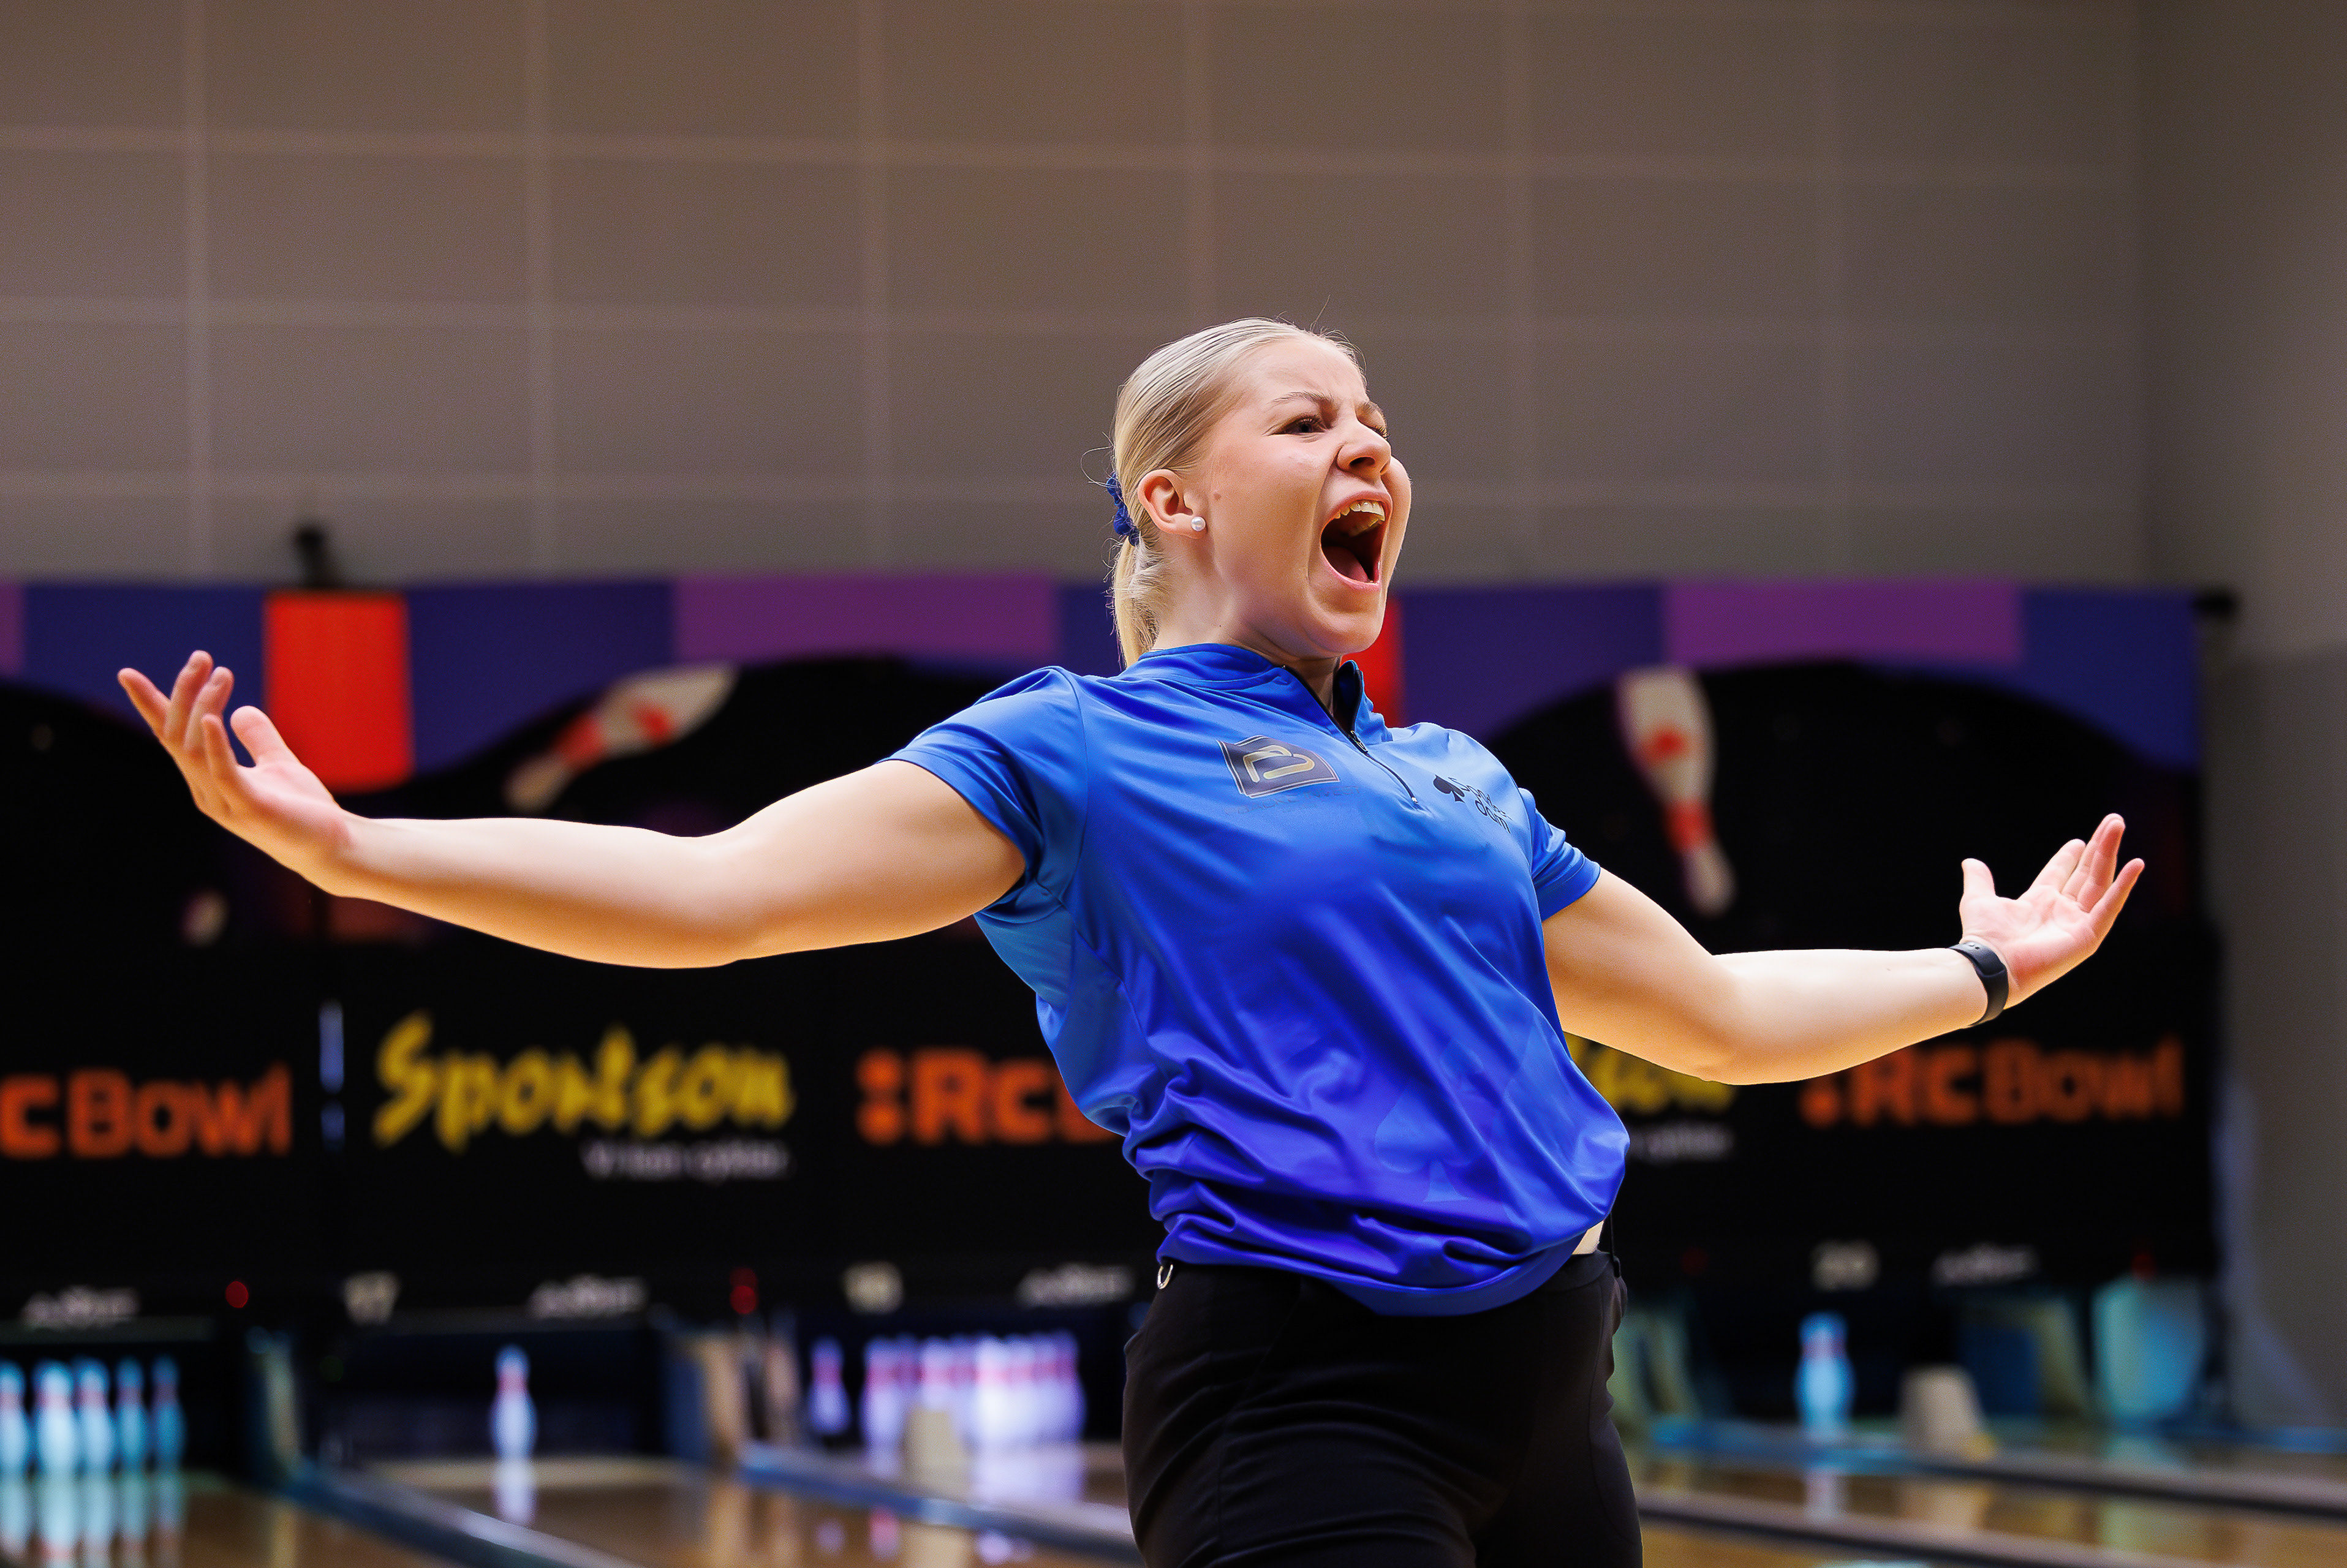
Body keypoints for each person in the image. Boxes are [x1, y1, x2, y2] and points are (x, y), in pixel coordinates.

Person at [121, 318, 2141, 1566]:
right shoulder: (1070, 751)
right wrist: (352, 847)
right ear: (1171, 499)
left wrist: (1988, 974)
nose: (1372, 449)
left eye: (1382, 424)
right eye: (1311, 421)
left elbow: (1711, 1011)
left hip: (1557, 1392)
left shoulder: (1458, 778)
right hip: (1305, 1401)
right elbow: (718, 896)